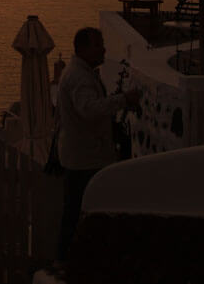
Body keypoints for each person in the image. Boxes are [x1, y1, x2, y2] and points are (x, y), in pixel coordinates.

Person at [55, 27, 140, 263]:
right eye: (98, 45)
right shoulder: (80, 78)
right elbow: (89, 110)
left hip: (82, 156)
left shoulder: (80, 73)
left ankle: (68, 260)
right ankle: (68, 261)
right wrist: (123, 100)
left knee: (75, 212)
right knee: (80, 213)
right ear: (83, 49)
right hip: (85, 159)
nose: (103, 49)